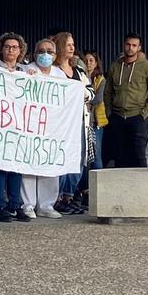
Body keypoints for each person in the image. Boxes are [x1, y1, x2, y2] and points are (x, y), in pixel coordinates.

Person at [16, 38, 67, 219]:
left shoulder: (60, 74)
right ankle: (27, 205)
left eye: (49, 52)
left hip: (52, 127)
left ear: (54, 55)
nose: (45, 55)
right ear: (35, 53)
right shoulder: (25, 70)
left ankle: (46, 205)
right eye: (41, 51)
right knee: (29, 165)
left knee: (49, 165)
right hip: (30, 125)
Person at [0, 32, 29, 222]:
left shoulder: (25, 72)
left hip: (18, 125)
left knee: (16, 165)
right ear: (1, 49)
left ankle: (15, 205)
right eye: (7, 47)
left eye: (14, 47)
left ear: (20, 50)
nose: (11, 50)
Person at [103, 33, 148, 168]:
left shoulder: (147, 67)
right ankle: (121, 186)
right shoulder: (115, 66)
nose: (130, 48)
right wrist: (109, 112)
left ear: (139, 48)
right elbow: (108, 92)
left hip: (138, 116)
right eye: (128, 44)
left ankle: (141, 187)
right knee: (119, 154)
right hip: (117, 116)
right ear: (124, 45)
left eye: (134, 45)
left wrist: (144, 113)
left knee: (139, 154)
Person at [52, 32, 92, 215]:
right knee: (61, 156)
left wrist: (78, 94)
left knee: (78, 159)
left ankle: (69, 195)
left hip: (79, 122)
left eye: (73, 44)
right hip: (61, 124)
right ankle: (57, 197)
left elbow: (89, 92)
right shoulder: (53, 71)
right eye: (68, 44)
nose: (71, 47)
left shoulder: (79, 72)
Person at [82, 51, 107, 206]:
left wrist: (84, 100)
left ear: (96, 63)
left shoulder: (100, 79)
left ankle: (100, 190)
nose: (89, 63)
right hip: (82, 122)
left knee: (96, 156)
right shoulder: (79, 76)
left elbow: (98, 99)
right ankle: (83, 190)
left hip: (95, 121)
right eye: (86, 60)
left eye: (92, 60)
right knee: (83, 157)